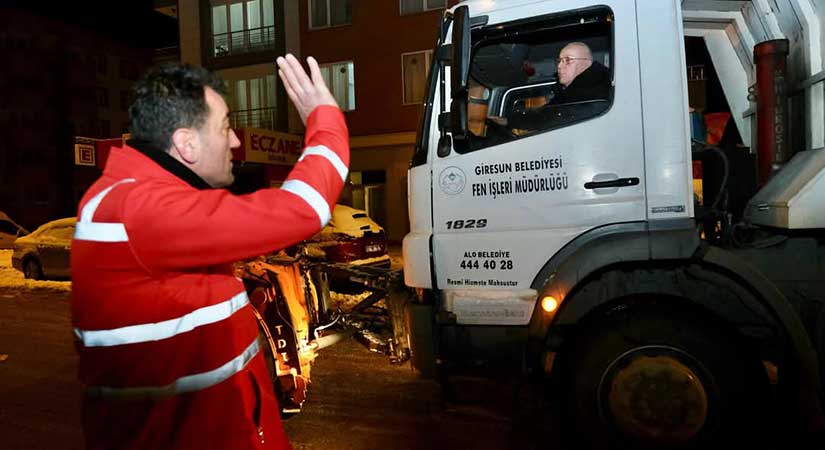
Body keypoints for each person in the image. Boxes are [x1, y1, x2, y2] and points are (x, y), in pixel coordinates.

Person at [70, 54, 347, 450]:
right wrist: (326, 121)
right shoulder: (136, 207)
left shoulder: (149, 200)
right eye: (226, 127)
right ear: (187, 144)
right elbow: (304, 207)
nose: (235, 141)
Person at [490, 41, 611, 131]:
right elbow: (547, 113)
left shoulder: (600, 88)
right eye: (559, 61)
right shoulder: (567, 91)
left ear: (587, 63)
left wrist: (510, 120)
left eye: (568, 60)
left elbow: (553, 116)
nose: (559, 66)